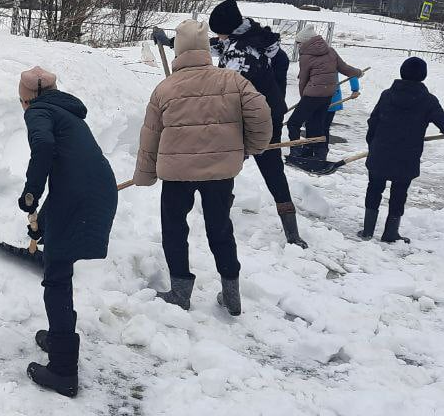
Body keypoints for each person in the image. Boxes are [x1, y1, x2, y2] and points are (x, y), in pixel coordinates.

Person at [135, 20, 273, 317]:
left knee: (174, 228)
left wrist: (145, 174)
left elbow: (151, 135)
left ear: (179, 50)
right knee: (220, 228)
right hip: (220, 173)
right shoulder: (233, 81)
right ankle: (231, 294)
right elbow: (261, 114)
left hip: (177, 174)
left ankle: (180, 292)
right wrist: (250, 148)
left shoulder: (165, 88)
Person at [16, 66, 117, 398]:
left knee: (57, 276)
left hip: (79, 198)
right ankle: (59, 338)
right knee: (60, 266)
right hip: (95, 191)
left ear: (26, 99)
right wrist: (43, 223)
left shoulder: (38, 112)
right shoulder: (67, 113)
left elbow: (43, 146)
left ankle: (62, 371)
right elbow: (69, 172)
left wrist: (31, 192)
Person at [206, 0, 308, 248]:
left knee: (227, 166)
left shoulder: (240, 54)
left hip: (252, 119)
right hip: (270, 114)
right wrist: (175, 42)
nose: (217, 37)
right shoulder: (253, 37)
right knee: (272, 170)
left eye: (218, 31)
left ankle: (218, 218)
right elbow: (213, 46)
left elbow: (228, 93)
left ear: (228, 28)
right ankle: (292, 232)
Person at [362, 57, 444, 243]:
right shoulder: (428, 101)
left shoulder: (387, 95)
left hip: (380, 151)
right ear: (423, 75)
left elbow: (373, 121)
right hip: (406, 156)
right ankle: (390, 233)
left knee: (374, 188)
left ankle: (367, 231)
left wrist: (372, 145)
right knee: (399, 193)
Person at [287, 26, 363, 162]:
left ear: (306, 41)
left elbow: (303, 80)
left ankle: (296, 152)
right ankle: (318, 153)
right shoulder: (331, 51)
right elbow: (345, 68)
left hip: (312, 95)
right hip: (327, 95)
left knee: (293, 123)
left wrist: (304, 97)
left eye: (299, 43)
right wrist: (358, 73)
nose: (298, 45)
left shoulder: (306, 57)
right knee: (315, 125)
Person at [323, 73, 361, 153]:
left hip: (330, 99)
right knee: (315, 126)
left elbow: (352, 72)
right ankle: (315, 150)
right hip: (313, 98)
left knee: (322, 127)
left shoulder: (333, 64)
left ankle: (320, 151)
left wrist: (355, 90)